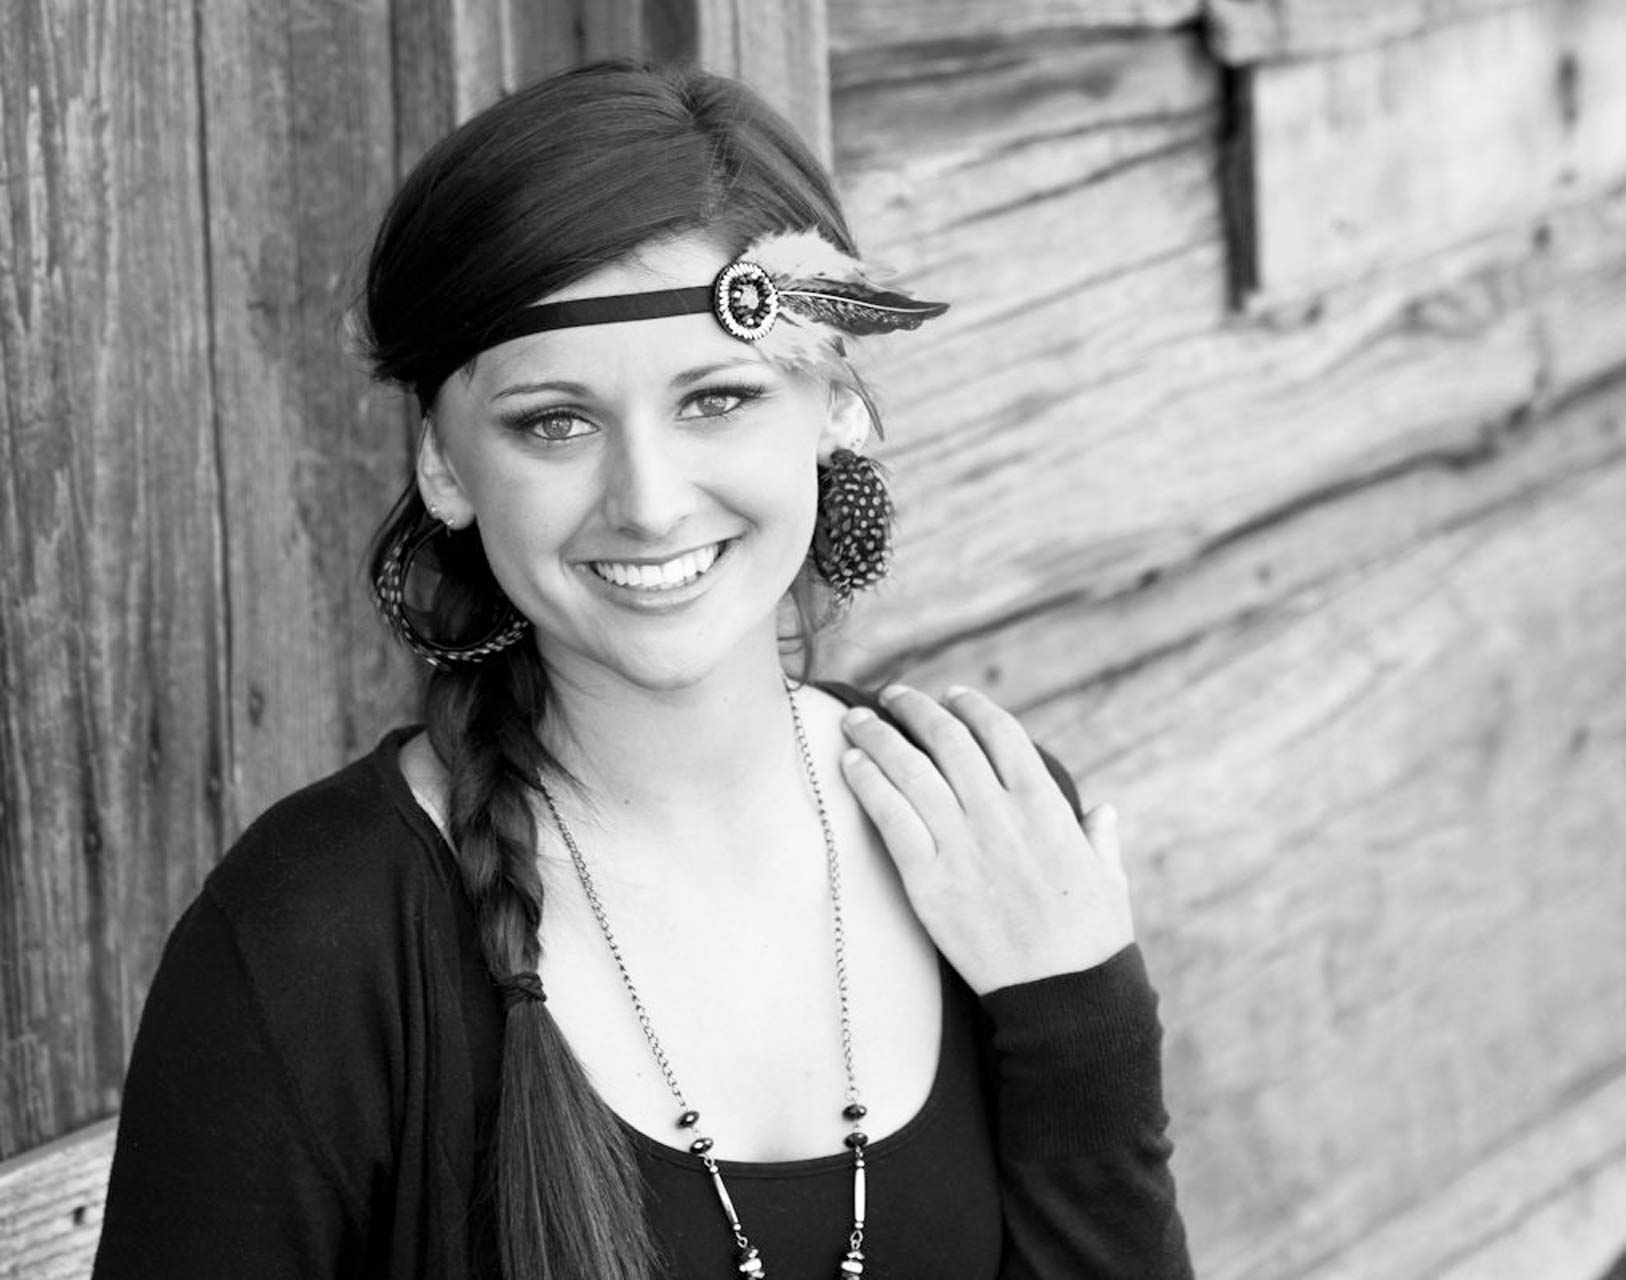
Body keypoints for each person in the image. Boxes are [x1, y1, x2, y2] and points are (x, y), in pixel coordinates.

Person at [93, 59, 1191, 1280]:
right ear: (446, 467)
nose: (651, 502)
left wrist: (1083, 1023)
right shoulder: (309, 940)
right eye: (554, 422)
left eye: (716, 398)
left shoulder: (986, 828)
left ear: (835, 399)